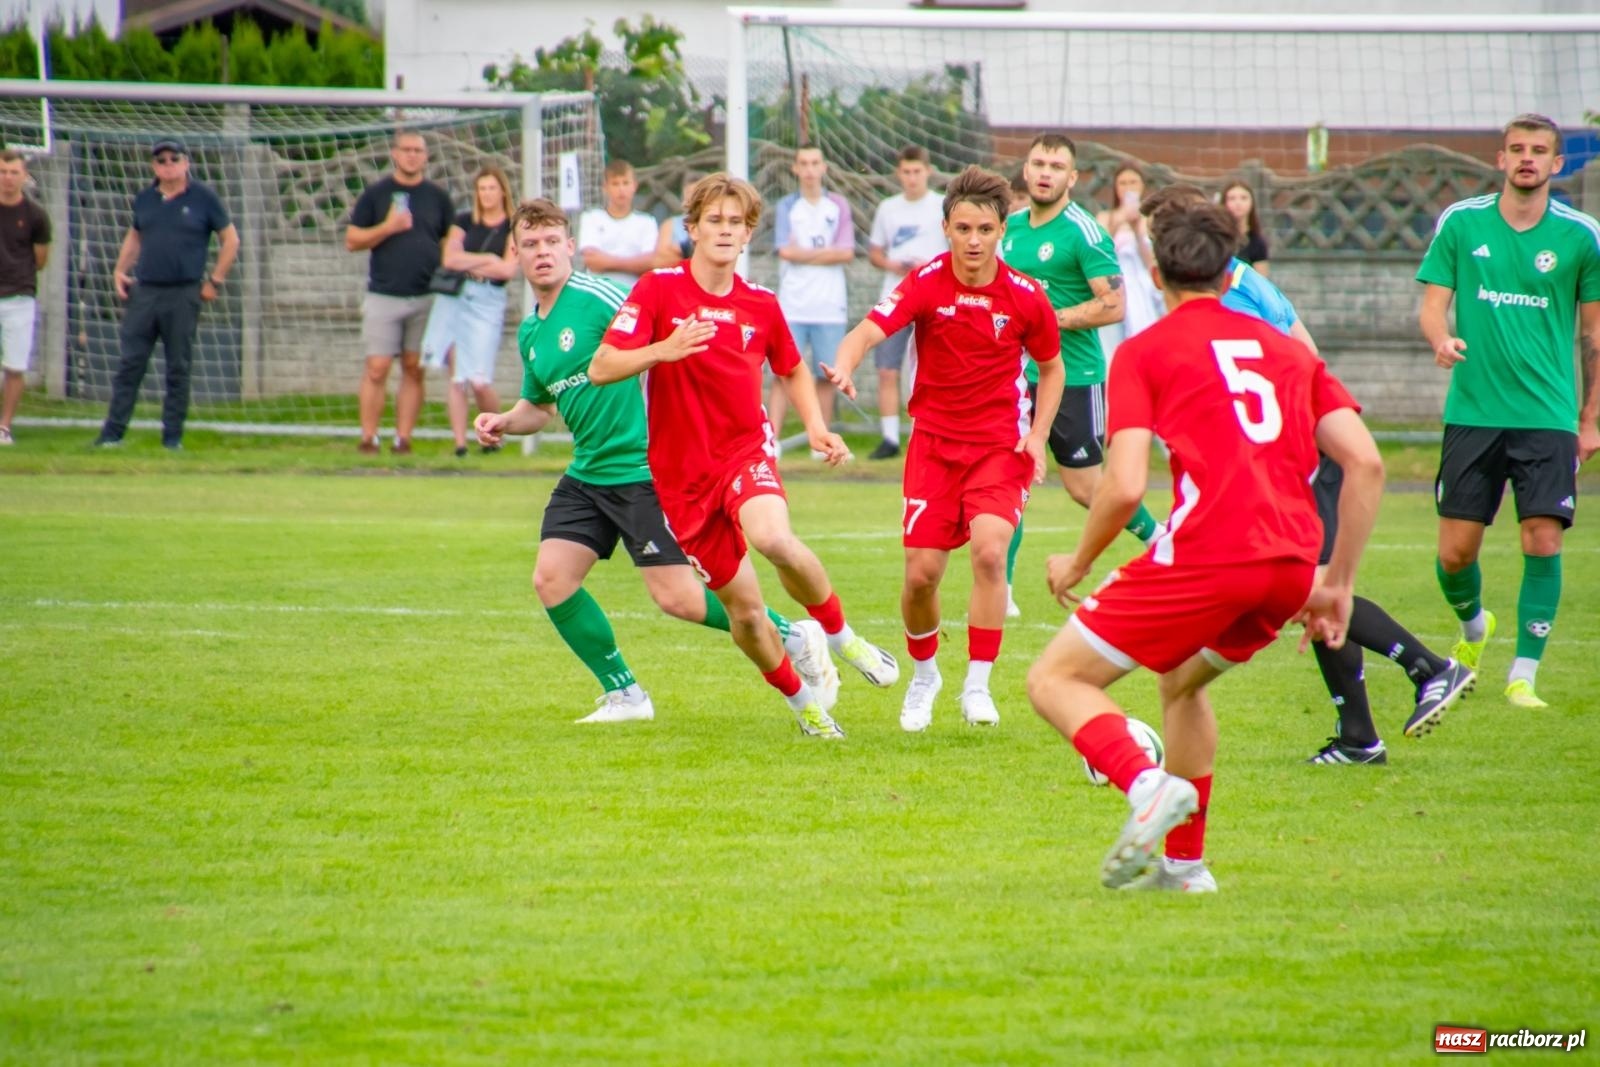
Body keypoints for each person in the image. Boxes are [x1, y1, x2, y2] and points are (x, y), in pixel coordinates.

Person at [1026, 203, 1385, 893]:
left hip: (1209, 555)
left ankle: (1144, 784)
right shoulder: (1290, 354)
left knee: (1055, 680)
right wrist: (1335, 583)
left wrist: (1076, 561)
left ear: (1156, 272)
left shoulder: (1145, 351)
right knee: (1181, 680)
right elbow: (1365, 464)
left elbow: (1125, 485)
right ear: (1230, 276)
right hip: (1289, 564)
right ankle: (1186, 868)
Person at [474, 198, 838, 724]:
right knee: (551, 579)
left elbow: (665, 337)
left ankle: (790, 633)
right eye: (530, 245)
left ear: (570, 246)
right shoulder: (532, 331)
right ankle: (626, 695)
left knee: (681, 600)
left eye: (552, 241)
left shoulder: (601, 297)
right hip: (589, 471)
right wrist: (505, 419)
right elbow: (541, 406)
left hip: (645, 468)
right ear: (516, 254)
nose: (543, 253)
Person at [589, 173, 899, 739]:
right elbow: (602, 365)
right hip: (682, 481)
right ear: (693, 229)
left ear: (748, 232)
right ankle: (804, 704)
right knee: (748, 615)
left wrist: (817, 426)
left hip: (743, 453)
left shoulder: (761, 304)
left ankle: (841, 636)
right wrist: (663, 349)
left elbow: (792, 367)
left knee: (774, 538)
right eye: (715, 221)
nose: (726, 230)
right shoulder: (659, 291)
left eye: (736, 222)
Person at [827, 166, 1063, 731]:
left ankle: (977, 685)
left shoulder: (1027, 297)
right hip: (933, 447)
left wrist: (1038, 436)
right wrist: (844, 363)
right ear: (946, 228)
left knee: (988, 552)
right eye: (963, 229)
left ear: (1002, 229)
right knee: (921, 576)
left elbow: (1052, 370)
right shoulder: (926, 282)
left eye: (984, 228)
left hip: (998, 447)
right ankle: (925, 674)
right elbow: (868, 330)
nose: (974, 240)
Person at [1418, 113, 1600, 709]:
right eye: (1517, 149)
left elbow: (1594, 337)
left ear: (1557, 164)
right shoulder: (1462, 223)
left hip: (1547, 415)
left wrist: (1590, 418)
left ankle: (1523, 675)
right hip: (1473, 410)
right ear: (1500, 160)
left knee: (1542, 539)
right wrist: (1440, 340)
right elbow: (1432, 305)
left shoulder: (1581, 236)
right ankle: (1474, 626)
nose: (1527, 158)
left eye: (1539, 150)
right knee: (1455, 554)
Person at [1000, 134, 1163, 616]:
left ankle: (1162, 541)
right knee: (1010, 478)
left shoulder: (1085, 232)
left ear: (1071, 178)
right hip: (1016, 376)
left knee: (1085, 488)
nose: (1045, 172)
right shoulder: (1008, 229)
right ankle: (1001, 590)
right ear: (1026, 172)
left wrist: (1048, 320)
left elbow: (1114, 305)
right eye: (1038, 163)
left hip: (1074, 375)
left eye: (1056, 166)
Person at [94, 138, 239, 450]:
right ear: (154, 166)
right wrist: (120, 269)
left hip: (183, 293)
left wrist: (214, 281)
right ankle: (112, 435)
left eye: (174, 159)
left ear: (186, 163)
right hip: (145, 292)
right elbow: (135, 236)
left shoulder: (203, 198)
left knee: (178, 366)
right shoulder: (146, 199)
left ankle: (172, 438)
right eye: (161, 161)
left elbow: (231, 240)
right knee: (130, 363)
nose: (168, 165)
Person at [344, 129, 453, 455]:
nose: (411, 156)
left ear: (425, 156)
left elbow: (449, 242)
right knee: (377, 367)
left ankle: (403, 438)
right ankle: (369, 437)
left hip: (424, 296)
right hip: (383, 295)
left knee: (413, 366)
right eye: (406, 149)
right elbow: (352, 240)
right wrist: (388, 228)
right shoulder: (376, 195)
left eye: (418, 150)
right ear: (394, 153)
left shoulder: (437, 197)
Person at [420, 165, 517, 458]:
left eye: (492, 188)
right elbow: (450, 257)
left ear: (502, 191)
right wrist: (486, 259)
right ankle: (460, 443)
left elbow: (507, 268)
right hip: (457, 298)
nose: (487, 194)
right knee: (457, 375)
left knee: (479, 378)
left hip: (488, 301)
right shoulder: (463, 221)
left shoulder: (512, 225)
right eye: (482, 188)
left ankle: (493, 435)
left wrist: (475, 261)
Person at [766, 144, 855, 451]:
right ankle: (772, 440)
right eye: (803, 163)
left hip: (830, 305)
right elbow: (784, 249)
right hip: (793, 304)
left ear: (823, 167)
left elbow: (845, 251)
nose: (808, 169)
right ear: (795, 168)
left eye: (814, 162)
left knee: (826, 375)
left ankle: (822, 440)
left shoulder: (838, 205)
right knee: (782, 372)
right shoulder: (787, 206)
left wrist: (803, 254)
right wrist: (822, 253)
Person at [864, 145, 946, 460]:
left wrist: (927, 266)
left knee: (930, 370)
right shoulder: (888, 208)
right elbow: (875, 252)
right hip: (895, 296)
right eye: (906, 172)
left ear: (927, 171)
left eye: (917, 171)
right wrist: (893, 265)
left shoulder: (941, 205)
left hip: (931, 298)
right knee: (887, 369)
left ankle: (923, 434)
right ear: (899, 173)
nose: (912, 178)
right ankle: (889, 438)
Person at [0, 150, 51, 446]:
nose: (7, 178)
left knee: (14, 366)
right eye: (3, 172)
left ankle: (4, 427)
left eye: (13, 172)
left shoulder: (35, 216)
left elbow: (40, 259)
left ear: (24, 176)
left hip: (19, 297)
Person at [1094, 163, 1163, 349]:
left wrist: (1137, 231)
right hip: (1115, 281)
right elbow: (1099, 251)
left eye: (1133, 182)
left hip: (1142, 284)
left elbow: (1151, 261)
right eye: (1122, 183)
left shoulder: (1151, 219)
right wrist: (1119, 220)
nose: (1128, 187)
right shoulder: (1106, 216)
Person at [577, 159, 659, 290]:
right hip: (599, 294)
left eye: (625, 183)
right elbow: (592, 261)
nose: (621, 189)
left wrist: (606, 261)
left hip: (635, 294)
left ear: (634, 186)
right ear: (605, 187)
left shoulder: (647, 222)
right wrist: (634, 263)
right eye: (615, 184)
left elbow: (650, 263)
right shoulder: (591, 218)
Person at [652, 172, 702, 269]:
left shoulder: (711, 225)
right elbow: (659, 260)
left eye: (696, 193)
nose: (691, 198)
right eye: (688, 193)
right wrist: (687, 251)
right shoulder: (669, 224)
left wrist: (677, 249)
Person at [1221, 179, 1270, 275]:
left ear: (1252, 203)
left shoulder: (1257, 242)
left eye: (1243, 198)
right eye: (1232, 198)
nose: (1238, 203)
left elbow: (1261, 281)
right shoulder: (1217, 238)